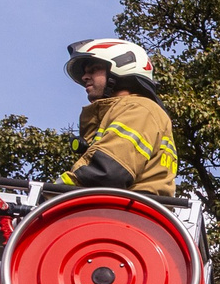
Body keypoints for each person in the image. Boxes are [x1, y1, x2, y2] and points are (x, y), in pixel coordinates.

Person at [59, 39, 178, 196]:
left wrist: (47, 196)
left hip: (128, 213)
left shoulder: (139, 109)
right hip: (122, 210)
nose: (85, 77)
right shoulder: (122, 111)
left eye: (93, 69)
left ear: (120, 68)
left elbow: (108, 170)